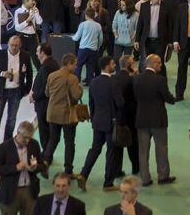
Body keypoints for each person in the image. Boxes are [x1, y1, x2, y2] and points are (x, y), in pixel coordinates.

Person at [77, 56, 124, 192]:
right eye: (112, 63)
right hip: (111, 122)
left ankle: (83, 174)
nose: (114, 65)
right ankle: (108, 183)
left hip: (97, 121)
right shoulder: (113, 82)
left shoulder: (94, 82)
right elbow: (120, 103)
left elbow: (91, 102)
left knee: (95, 149)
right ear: (106, 66)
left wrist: (93, 117)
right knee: (111, 152)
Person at [134, 54, 177, 186]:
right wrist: (173, 98)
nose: (161, 65)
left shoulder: (136, 79)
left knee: (143, 151)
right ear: (152, 64)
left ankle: (145, 179)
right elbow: (168, 97)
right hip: (158, 120)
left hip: (142, 118)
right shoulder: (160, 80)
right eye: (158, 63)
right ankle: (163, 176)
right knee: (161, 148)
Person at [0, 121, 45, 215]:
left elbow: (42, 165)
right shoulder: (3, 148)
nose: (27, 141)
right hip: (10, 192)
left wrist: (35, 168)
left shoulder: (34, 144)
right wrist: (15, 167)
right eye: (25, 137)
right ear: (18, 132)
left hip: (30, 191)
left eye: (29, 137)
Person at [43, 54, 83, 175]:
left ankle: (45, 163)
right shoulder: (73, 78)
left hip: (52, 113)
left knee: (53, 140)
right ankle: (68, 170)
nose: (76, 66)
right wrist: (80, 88)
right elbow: (76, 95)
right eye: (75, 64)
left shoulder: (52, 75)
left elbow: (47, 93)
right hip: (67, 115)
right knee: (69, 142)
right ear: (69, 64)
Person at [0, 35, 33, 140]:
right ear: (8, 44)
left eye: (16, 45)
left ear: (20, 45)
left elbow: (29, 74)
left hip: (16, 91)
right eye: (12, 45)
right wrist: (2, 73)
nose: (14, 47)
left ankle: (7, 143)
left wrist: (26, 90)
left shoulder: (25, 56)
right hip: (0, 91)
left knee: (11, 119)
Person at [133, 0, 174, 76]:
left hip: (160, 41)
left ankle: (161, 85)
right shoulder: (144, 6)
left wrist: (171, 41)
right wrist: (137, 40)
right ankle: (146, 84)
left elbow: (170, 25)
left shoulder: (167, 7)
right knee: (145, 63)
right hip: (146, 40)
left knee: (160, 64)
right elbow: (140, 24)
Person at [112, 55, 139, 178]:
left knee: (118, 144)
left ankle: (117, 170)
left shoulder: (114, 79)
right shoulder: (133, 80)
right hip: (132, 116)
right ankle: (135, 168)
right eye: (133, 63)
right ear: (129, 65)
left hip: (117, 116)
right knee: (133, 143)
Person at [31, 43, 59, 151]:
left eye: (38, 51)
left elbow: (45, 87)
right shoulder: (51, 63)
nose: (36, 54)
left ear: (42, 53)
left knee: (44, 130)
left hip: (44, 104)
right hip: (46, 103)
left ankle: (47, 155)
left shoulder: (47, 66)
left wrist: (34, 96)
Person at [73, 7, 104, 84]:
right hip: (93, 49)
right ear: (94, 15)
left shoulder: (82, 24)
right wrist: (98, 47)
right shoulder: (98, 25)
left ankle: (76, 80)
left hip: (83, 49)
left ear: (86, 15)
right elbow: (101, 39)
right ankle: (89, 82)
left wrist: (72, 37)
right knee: (90, 66)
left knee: (79, 64)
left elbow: (76, 38)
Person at [14, 0, 42, 71]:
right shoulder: (18, 11)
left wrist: (36, 13)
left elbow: (39, 22)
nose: (33, 2)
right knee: (21, 60)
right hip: (22, 38)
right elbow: (17, 28)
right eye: (32, 0)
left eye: (34, 0)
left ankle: (41, 78)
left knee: (36, 60)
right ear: (26, 1)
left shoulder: (34, 10)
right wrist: (27, 21)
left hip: (32, 38)